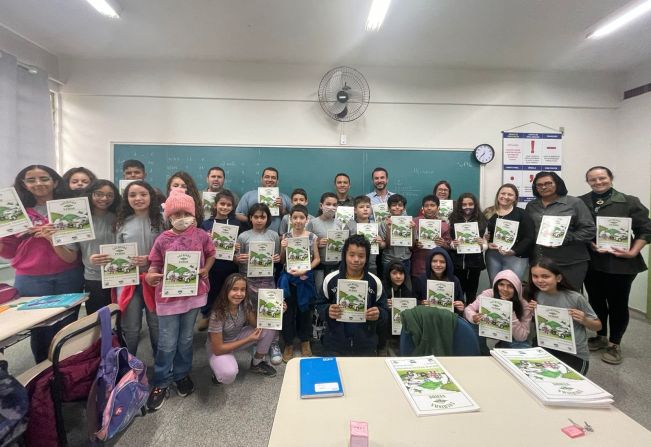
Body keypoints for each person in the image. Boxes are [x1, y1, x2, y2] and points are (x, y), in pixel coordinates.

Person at [0, 165, 83, 362]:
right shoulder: (15, 212)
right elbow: (9, 252)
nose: (38, 183)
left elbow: (72, 255)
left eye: (44, 178)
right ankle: (43, 375)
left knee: (68, 326)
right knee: (39, 329)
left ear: (54, 182)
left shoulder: (69, 209)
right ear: (23, 184)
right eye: (31, 180)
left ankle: (68, 370)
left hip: (68, 274)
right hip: (30, 278)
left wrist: (51, 238)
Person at [144, 190, 216, 411]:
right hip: (168, 298)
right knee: (167, 341)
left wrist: (205, 268)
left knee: (185, 339)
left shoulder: (202, 235)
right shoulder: (162, 239)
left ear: (194, 214)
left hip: (193, 296)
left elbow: (211, 253)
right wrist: (150, 275)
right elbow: (154, 264)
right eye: (177, 213)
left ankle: (182, 374)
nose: (182, 217)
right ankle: (161, 380)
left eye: (186, 212)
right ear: (169, 216)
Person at [579, 166, 651, 365]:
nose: (598, 182)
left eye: (602, 178)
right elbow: (578, 227)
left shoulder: (629, 201)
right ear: (588, 182)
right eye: (593, 179)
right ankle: (600, 336)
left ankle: (614, 344)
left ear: (610, 178)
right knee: (596, 301)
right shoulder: (581, 202)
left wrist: (633, 251)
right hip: (592, 262)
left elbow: (646, 230)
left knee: (618, 304)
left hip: (621, 264)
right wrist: (588, 242)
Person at [111, 181, 164, 356]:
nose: (138, 198)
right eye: (132, 195)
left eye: (143, 194)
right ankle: (128, 366)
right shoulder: (121, 223)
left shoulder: (162, 220)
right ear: (126, 199)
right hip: (129, 281)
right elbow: (117, 253)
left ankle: (161, 365)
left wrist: (149, 259)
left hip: (155, 279)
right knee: (130, 327)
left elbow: (171, 249)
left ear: (151, 196)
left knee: (156, 324)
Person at [316, 234, 388, 356]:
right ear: (345, 255)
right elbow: (319, 305)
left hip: (366, 344)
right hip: (334, 344)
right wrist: (327, 310)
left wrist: (379, 313)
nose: (356, 260)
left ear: (366, 257)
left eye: (361, 256)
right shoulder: (330, 279)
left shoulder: (375, 282)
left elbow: (385, 311)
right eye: (352, 255)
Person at [527, 258, 601, 374]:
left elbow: (598, 326)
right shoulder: (536, 294)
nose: (539, 280)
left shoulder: (575, 298)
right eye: (535, 276)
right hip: (546, 344)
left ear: (558, 278)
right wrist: (533, 312)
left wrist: (585, 320)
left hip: (573, 352)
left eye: (545, 276)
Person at [525, 172, 595, 291]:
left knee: (569, 299)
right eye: (539, 185)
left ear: (557, 184)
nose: (543, 187)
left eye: (548, 183)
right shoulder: (531, 205)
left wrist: (567, 237)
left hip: (569, 262)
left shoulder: (574, 203)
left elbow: (590, 230)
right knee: (543, 299)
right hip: (540, 262)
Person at [207, 273, 279, 385]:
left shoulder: (244, 304)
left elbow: (257, 324)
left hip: (236, 337)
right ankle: (217, 373)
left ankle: (257, 363)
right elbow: (218, 349)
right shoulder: (217, 314)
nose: (239, 294)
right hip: (218, 347)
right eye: (234, 289)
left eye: (243, 290)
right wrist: (248, 339)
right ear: (226, 290)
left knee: (268, 327)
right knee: (229, 373)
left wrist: (278, 308)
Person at [235, 203, 282, 365]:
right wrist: (237, 258)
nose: (259, 220)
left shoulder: (273, 235)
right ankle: (258, 341)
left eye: (263, 217)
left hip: (268, 279)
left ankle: (274, 343)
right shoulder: (243, 236)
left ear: (268, 218)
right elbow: (237, 258)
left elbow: (277, 257)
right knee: (252, 311)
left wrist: (277, 258)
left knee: (271, 310)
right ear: (250, 218)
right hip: (248, 279)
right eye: (256, 217)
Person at [65, 180, 120, 315]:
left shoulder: (120, 218)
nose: (104, 199)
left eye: (109, 195)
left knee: (120, 319)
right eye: (99, 194)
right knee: (98, 320)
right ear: (90, 195)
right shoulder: (79, 220)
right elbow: (71, 254)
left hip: (120, 276)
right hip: (94, 278)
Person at [279, 204, 320, 362]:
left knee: (304, 311)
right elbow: (282, 260)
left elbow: (317, 259)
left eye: (301, 217)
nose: (298, 220)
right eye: (295, 217)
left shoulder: (312, 237)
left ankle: (305, 341)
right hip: (288, 279)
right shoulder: (286, 237)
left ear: (306, 219)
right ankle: (288, 343)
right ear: (290, 219)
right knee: (288, 312)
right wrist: (283, 249)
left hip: (304, 279)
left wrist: (305, 269)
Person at [197, 190, 242, 331]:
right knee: (211, 292)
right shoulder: (205, 224)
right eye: (222, 204)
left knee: (227, 292)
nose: (225, 207)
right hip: (212, 266)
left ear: (232, 207)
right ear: (215, 205)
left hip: (230, 266)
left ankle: (228, 320)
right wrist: (208, 240)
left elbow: (241, 247)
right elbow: (199, 247)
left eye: (229, 205)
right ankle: (207, 316)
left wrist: (236, 246)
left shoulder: (236, 224)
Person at [464, 269, 532, 354]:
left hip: (511, 336)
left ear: (516, 288)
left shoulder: (524, 304)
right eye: (501, 284)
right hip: (488, 330)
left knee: (523, 346)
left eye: (510, 286)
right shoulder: (489, 294)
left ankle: (503, 347)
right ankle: (482, 353)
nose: (505, 289)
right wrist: (473, 317)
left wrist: (510, 312)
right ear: (496, 285)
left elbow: (522, 337)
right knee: (471, 326)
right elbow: (468, 309)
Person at [484, 183, 535, 282]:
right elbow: (482, 234)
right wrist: (488, 244)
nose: (506, 197)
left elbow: (529, 237)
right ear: (498, 195)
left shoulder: (522, 214)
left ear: (515, 198)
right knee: (495, 285)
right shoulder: (488, 212)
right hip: (493, 256)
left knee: (512, 286)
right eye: (503, 193)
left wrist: (514, 251)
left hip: (516, 257)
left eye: (510, 194)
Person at [448, 193, 487, 303]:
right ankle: (459, 315)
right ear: (459, 205)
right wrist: (453, 244)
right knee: (458, 292)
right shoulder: (452, 219)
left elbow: (485, 243)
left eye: (470, 204)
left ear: (475, 204)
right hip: (457, 262)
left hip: (475, 263)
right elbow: (449, 240)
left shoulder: (482, 220)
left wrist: (481, 245)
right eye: (464, 204)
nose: (467, 207)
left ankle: (469, 317)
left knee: (472, 292)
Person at [235, 167, 291, 234]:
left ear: (277, 181)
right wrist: (253, 219)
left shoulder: (285, 198)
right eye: (267, 177)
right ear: (261, 179)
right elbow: (238, 215)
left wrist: (282, 210)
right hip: (252, 237)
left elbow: (294, 219)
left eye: (273, 178)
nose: (270, 180)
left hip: (276, 237)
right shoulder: (248, 196)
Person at [411, 195, 451, 287]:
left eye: (432, 205)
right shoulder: (414, 222)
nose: (429, 208)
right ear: (423, 208)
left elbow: (449, 247)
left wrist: (443, 244)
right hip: (418, 266)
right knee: (418, 295)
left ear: (438, 208)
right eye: (426, 205)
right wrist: (415, 243)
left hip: (437, 269)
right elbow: (408, 246)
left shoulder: (444, 225)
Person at [379, 194, 415, 289]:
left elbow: (412, 247)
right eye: (394, 205)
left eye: (400, 205)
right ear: (389, 207)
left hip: (405, 260)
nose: (397, 207)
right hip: (388, 260)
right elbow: (387, 246)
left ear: (404, 208)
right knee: (387, 288)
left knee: (406, 288)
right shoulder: (383, 223)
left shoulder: (410, 223)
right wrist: (389, 228)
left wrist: (413, 230)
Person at [307, 192, 339, 294]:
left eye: (334, 205)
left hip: (336, 265)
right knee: (319, 290)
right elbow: (305, 245)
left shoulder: (340, 223)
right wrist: (316, 244)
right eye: (328, 204)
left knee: (333, 291)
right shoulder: (313, 223)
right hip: (319, 266)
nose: (331, 207)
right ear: (321, 205)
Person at [414, 248, 465, 312]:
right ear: (429, 262)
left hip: (447, 317)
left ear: (447, 263)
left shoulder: (454, 280)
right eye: (434, 261)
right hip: (426, 316)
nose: (438, 265)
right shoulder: (421, 279)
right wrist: (421, 303)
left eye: (442, 262)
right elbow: (414, 301)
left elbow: (460, 302)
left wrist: (460, 306)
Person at [346, 195, 385, 275]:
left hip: (371, 265)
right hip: (352, 265)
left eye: (368, 207)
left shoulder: (376, 225)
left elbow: (384, 245)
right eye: (361, 207)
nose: (365, 209)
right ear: (355, 210)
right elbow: (344, 245)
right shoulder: (349, 225)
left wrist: (380, 243)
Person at [381, 261, 414, 355]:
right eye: (394, 273)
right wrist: (384, 304)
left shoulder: (406, 291)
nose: (398, 276)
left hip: (401, 332)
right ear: (388, 274)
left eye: (401, 273)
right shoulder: (382, 290)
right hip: (386, 334)